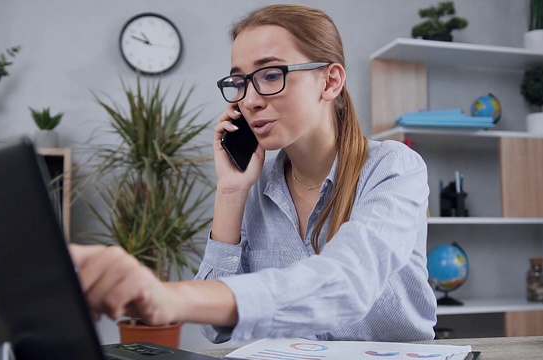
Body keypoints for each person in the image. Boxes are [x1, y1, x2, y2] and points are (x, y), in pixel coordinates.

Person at [69, 4, 436, 345]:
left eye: (271, 74)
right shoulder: (255, 184)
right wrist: (230, 192)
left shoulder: (393, 167)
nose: (249, 100)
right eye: (240, 82)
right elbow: (214, 330)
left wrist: (168, 296)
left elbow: (348, 284)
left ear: (330, 82)